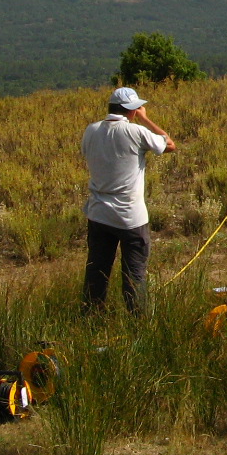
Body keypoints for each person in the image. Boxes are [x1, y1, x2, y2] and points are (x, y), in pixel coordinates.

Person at [82, 85, 172, 313]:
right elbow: (169, 144)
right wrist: (145, 119)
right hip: (130, 216)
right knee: (135, 273)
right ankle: (138, 322)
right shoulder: (136, 132)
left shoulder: (91, 130)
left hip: (98, 213)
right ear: (131, 110)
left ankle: (91, 319)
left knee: (97, 271)